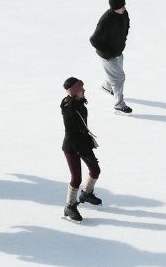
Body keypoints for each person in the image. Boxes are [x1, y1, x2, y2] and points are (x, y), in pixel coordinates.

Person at [60, 77, 101, 222]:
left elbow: (82, 126)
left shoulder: (80, 104)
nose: (84, 90)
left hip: (83, 143)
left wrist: (89, 139)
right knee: (76, 177)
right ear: (75, 91)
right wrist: (80, 150)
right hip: (72, 147)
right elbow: (71, 134)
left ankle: (86, 193)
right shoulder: (69, 110)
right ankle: (69, 206)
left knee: (95, 170)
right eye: (81, 88)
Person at [89, 0, 132, 114]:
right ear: (114, 8)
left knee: (115, 76)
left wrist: (122, 42)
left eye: (124, 5)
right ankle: (119, 105)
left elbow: (126, 27)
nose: (124, 8)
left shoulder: (124, 14)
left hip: (118, 51)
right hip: (107, 55)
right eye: (121, 6)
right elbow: (94, 40)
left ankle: (107, 86)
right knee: (119, 77)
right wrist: (108, 52)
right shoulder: (106, 20)